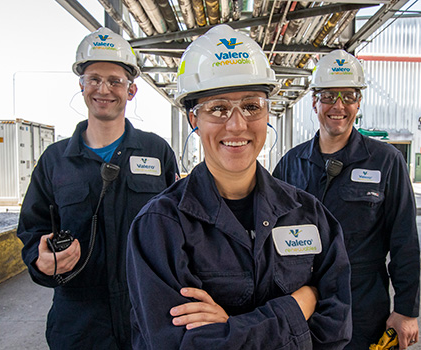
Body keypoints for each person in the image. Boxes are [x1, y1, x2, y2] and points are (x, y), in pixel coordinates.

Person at [126, 24, 352, 349]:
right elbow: (180, 344)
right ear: (194, 118)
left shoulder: (309, 215)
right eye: (218, 108)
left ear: (267, 111)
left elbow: (336, 330)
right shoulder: (160, 226)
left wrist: (231, 329)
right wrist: (298, 305)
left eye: (251, 106)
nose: (237, 124)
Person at [17, 27, 179, 350]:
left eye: (115, 81)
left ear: (131, 91)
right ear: (81, 86)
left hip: (146, 320)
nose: (104, 89)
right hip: (79, 327)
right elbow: (32, 232)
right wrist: (41, 259)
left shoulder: (157, 152)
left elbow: (177, 228)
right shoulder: (55, 161)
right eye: (94, 79)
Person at [273, 50, 420, 350]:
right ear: (314, 101)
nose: (338, 106)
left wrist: (406, 310)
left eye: (349, 96)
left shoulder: (386, 162)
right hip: (302, 302)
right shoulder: (290, 163)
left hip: (362, 305)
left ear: (359, 102)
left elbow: (404, 240)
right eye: (328, 96)